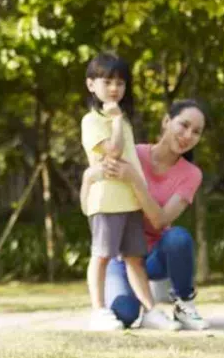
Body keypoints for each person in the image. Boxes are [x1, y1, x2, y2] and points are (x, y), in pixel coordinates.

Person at [83, 99, 210, 331]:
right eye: (183, 125)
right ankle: (141, 297)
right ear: (166, 121)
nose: (187, 135)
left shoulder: (191, 174)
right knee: (125, 315)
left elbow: (160, 220)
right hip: (122, 255)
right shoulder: (134, 153)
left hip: (155, 257)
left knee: (178, 238)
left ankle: (184, 304)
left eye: (196, 132)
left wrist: (134, 179)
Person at [80, 53, 181, 331]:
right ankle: (98, 311)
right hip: (105, 201)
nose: (115, 88)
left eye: (121, 83)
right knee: (101, 256)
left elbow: (129, 160)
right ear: (91, 85)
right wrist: (114, 120)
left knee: (135, 258)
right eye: (108, 81)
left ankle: (150, 311)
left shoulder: (121, 120)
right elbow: (111, 151)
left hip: (129, 201)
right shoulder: (93, 120)